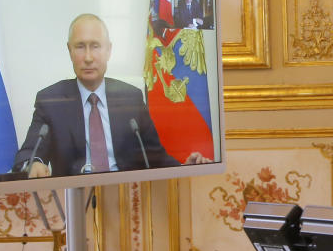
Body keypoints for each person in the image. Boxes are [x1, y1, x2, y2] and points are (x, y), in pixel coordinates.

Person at [13, 13, 209, 177]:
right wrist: (34, 164)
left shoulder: (130, 98)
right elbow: (29, 153)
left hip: (126, 198)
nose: (88, 57)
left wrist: (184, 168)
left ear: (108, 50)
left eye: (96, 46)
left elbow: (154, 156)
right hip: (74, 201)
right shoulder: (51, 100)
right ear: (70, 51)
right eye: (80, 47)